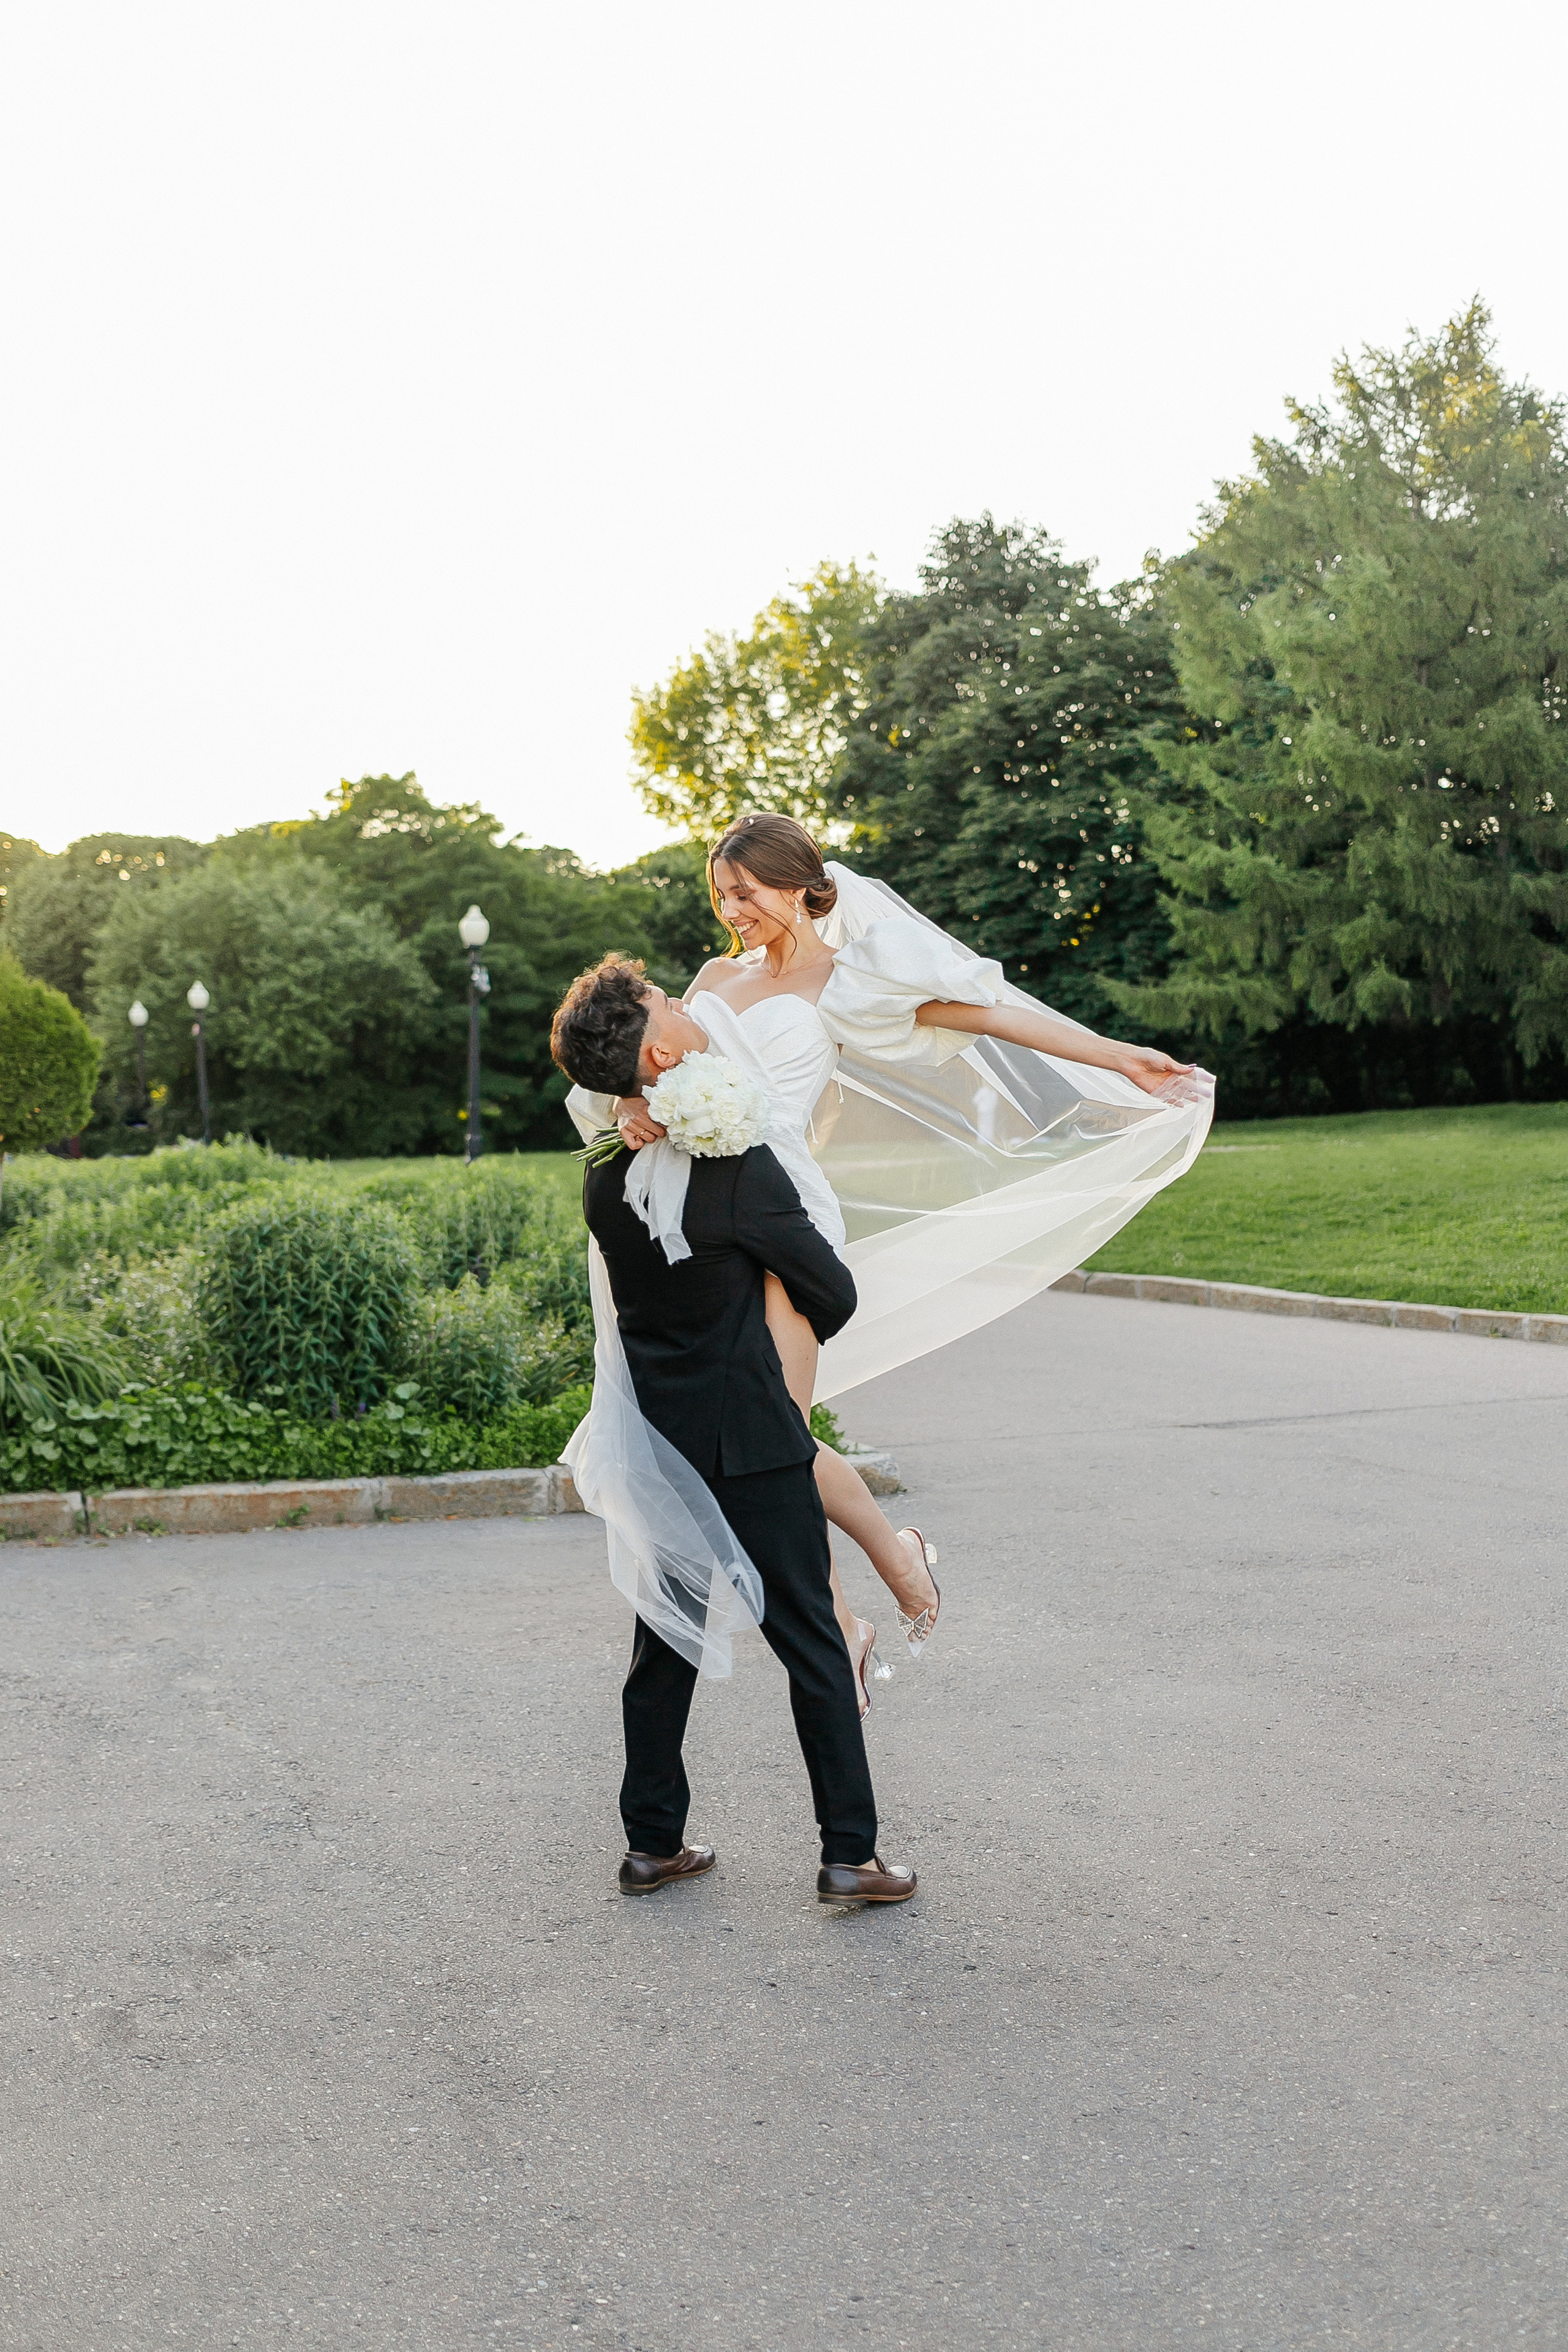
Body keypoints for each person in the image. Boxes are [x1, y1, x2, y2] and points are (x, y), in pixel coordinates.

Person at [565, 812, 1213, 1692]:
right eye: (720, 895)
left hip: (784, 1215)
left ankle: (870, 1586)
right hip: (703, 1221)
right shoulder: (716, 975)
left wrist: (1119, 1058)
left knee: (777, 1436)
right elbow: (649, 1050)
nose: (733, 910)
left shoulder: (850, 984)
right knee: (759, 1436)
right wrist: (626, 1109)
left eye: (746, 892)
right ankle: (852, 1611)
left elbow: (994, 1018)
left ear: (799, 883)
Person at [575, 1059, 916, 1910]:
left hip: (660, 1440)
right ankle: (852, 1858)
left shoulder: (601, 1172)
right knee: (812, 1640)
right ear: (654, 1057)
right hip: (755, 1437)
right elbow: (832, 1295)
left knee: (665, 1640)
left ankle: (651, 1845)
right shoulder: (738, 1165)